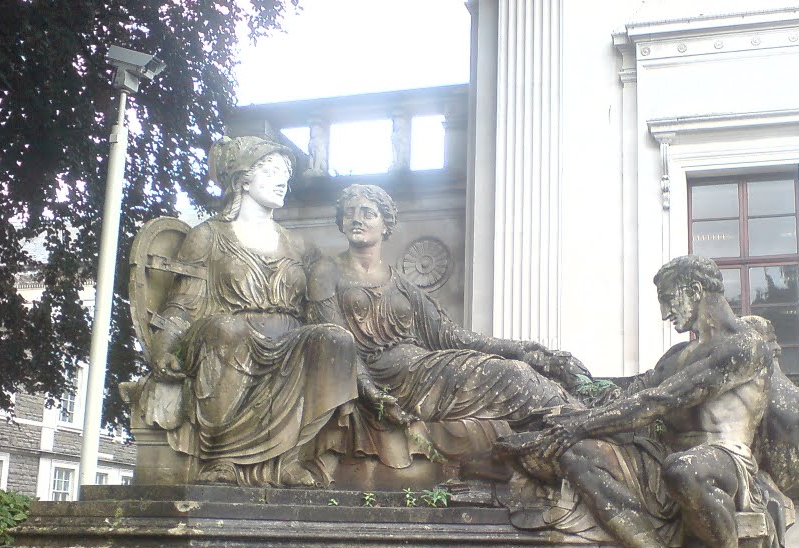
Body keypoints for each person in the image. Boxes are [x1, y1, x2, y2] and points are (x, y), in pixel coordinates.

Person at [507, 255, 784, 548]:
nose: (666, 312)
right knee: (575, 455)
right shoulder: (676, 356)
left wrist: (582, 423)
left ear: (696, 290)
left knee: (682, 469)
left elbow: (660, 400)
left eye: (670, 299)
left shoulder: (744, 347)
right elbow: (626, 393)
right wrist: (558, 380)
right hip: (666, 459)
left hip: (725, 462)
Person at [306, 183, 590, 469]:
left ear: (385, 224)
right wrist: (368, 389)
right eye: (349, 212)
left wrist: (522, 349)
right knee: (510, 376)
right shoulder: (326, 271)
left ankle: (580, 417)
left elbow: (451, 335)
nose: (357, 219)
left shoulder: (401, 282)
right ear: (341, 222)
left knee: (518, 370)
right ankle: (581, 423)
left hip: (424, 367)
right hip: (388, 380)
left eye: (367, 213)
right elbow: (336, 341)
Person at [144, 136, 358, 485]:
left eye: (285, 173)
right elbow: (181, 305)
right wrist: (164, 348)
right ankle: (221, 457)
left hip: (287, 343)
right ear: (243, 179)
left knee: (334, 339)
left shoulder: (300, 246)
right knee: (231, 331)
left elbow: (323, 307)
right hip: (223, 336)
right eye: (271, 170)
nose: (281, 180)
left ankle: (291, 458)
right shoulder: (208, 236)